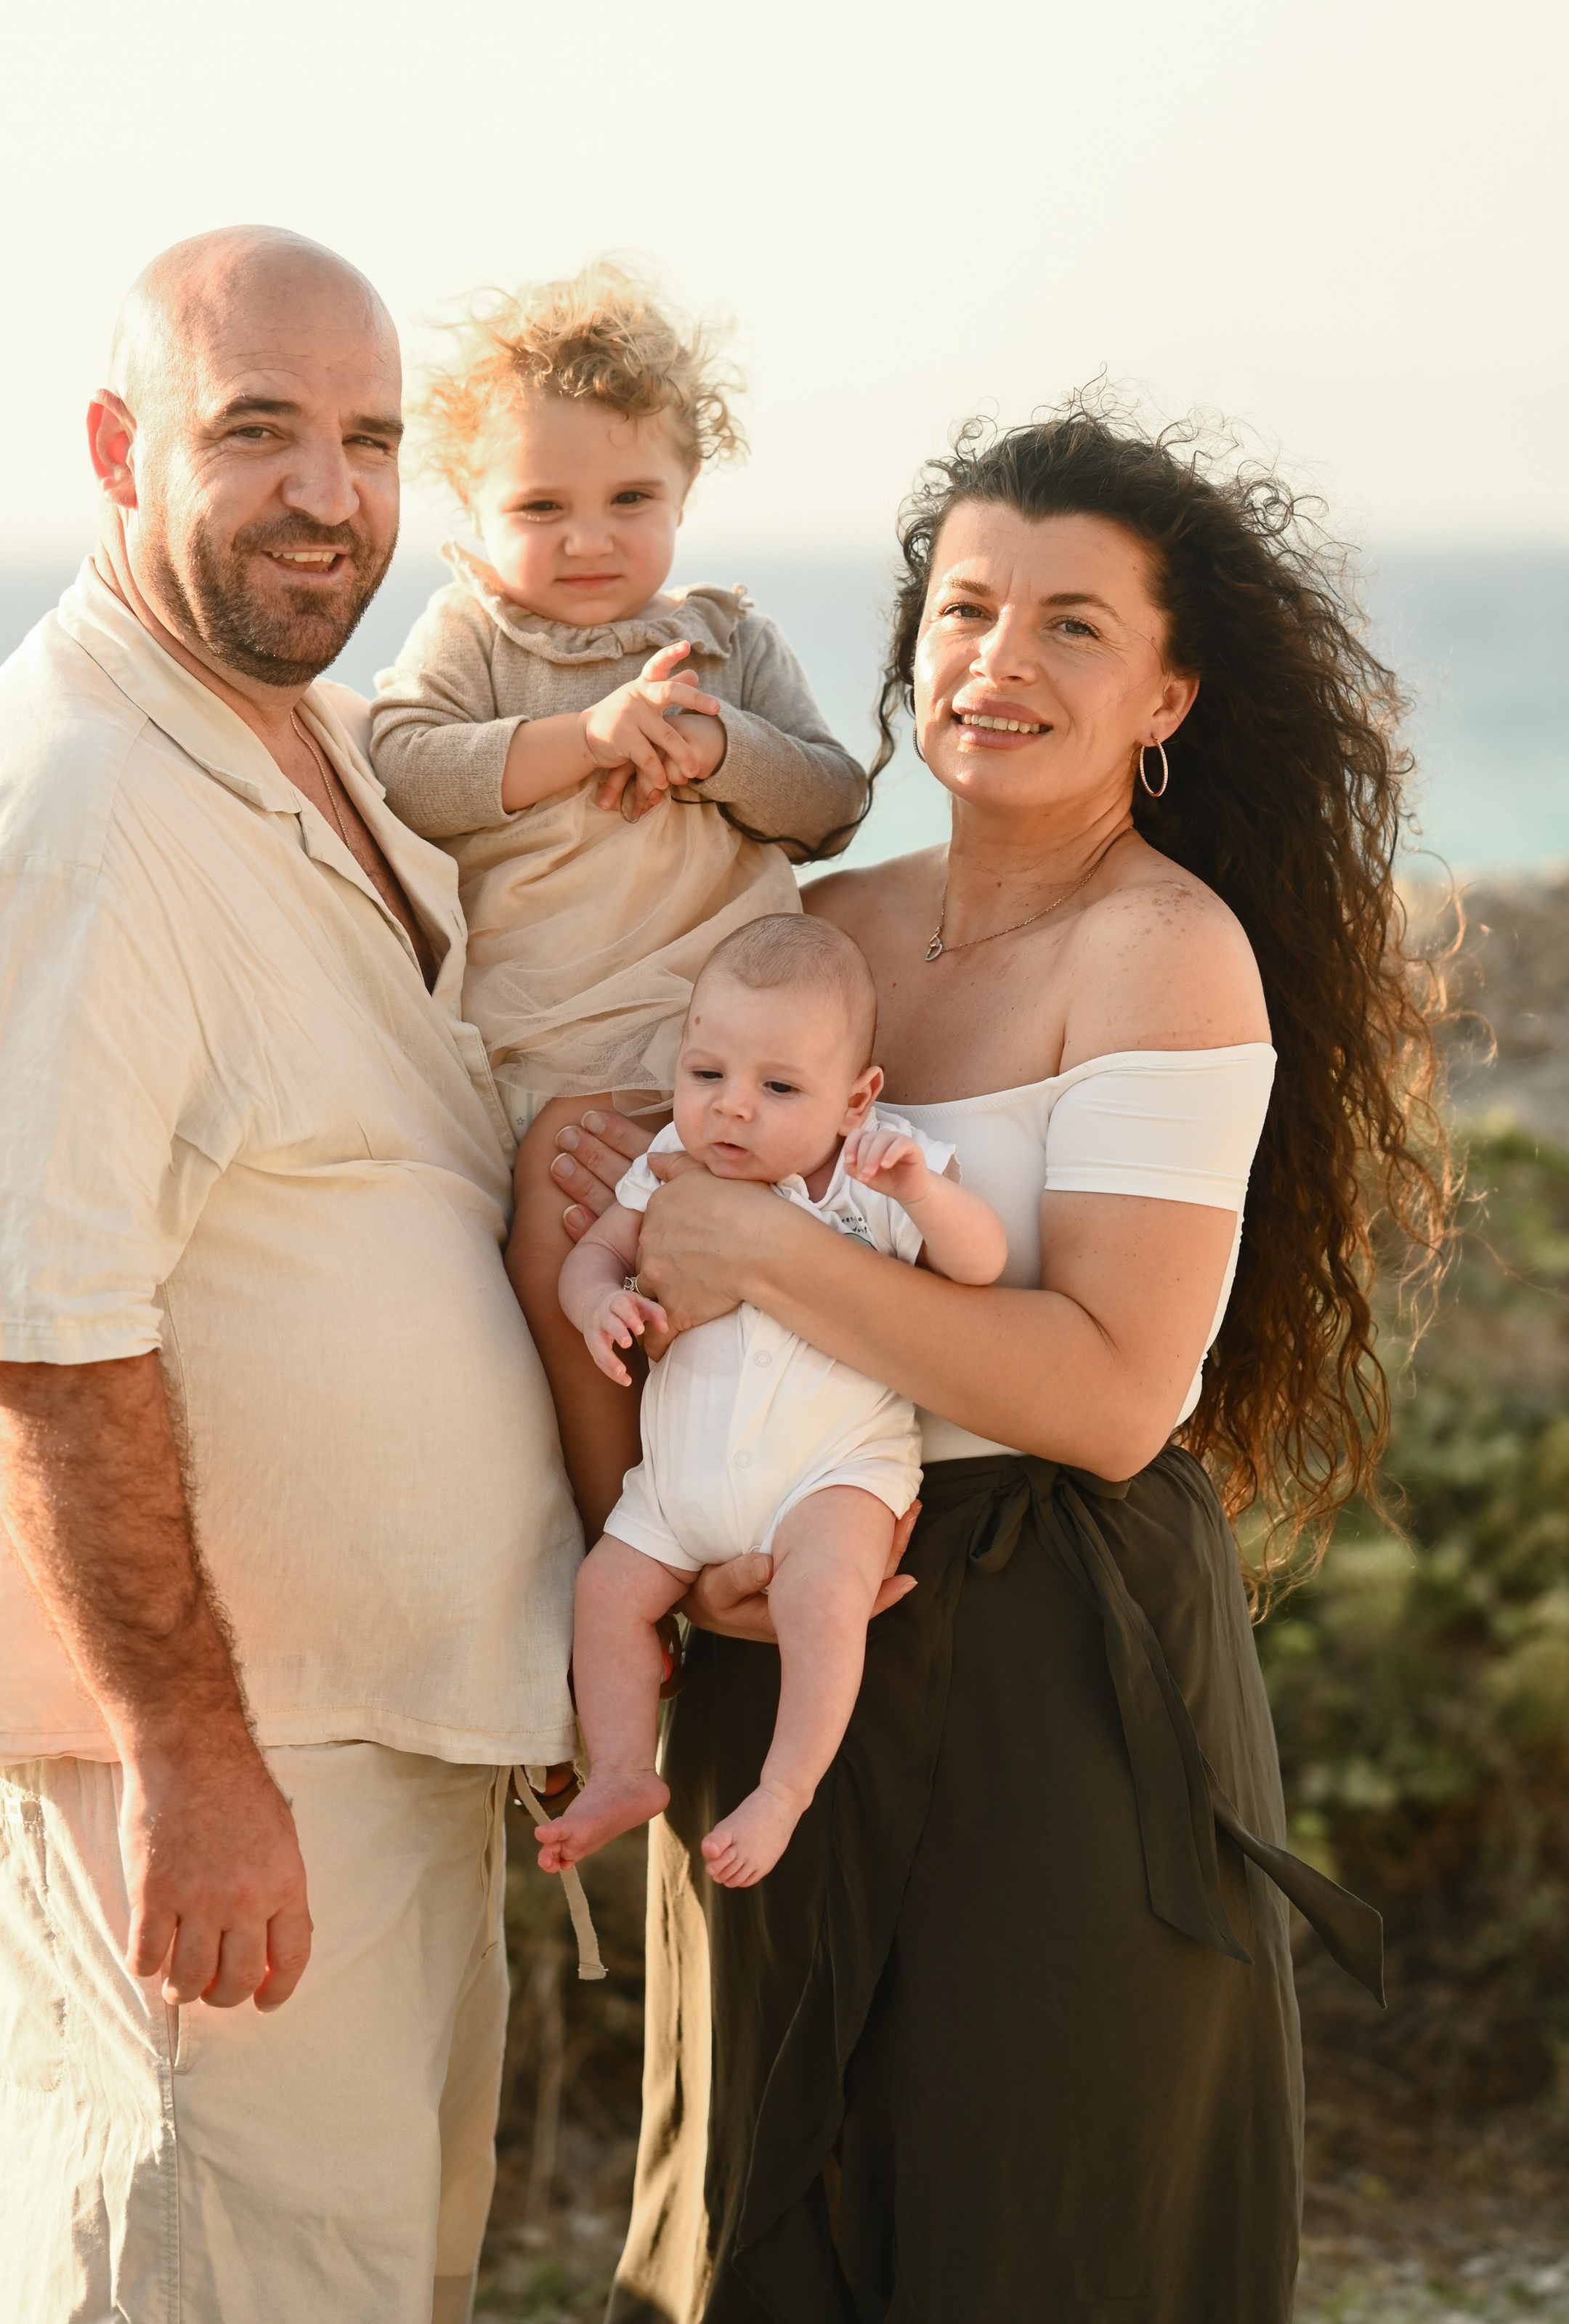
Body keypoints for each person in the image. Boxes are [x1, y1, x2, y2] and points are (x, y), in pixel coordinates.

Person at [536, 404, 1449, 2323]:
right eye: (965, 610)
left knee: (1037, 2225)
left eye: (1071, 629)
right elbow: (659, 1259)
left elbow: (1114, 1392)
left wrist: (767, 1247)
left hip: (1056, 1666)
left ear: (1169, 697)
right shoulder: (816, 934)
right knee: (758, 2230)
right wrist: (683, 1528)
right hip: (775, 1653)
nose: (998, 662)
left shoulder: (1165, 952)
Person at [0, 227, 583, 2324]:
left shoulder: (302, 741)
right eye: (254, 432)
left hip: (367, 1744)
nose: (327, 494)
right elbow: (29, 1323)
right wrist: (190, 1757)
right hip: (225, 1777)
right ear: (114, 450)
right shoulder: (70, 803)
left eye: (364, 439)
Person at [368, 263, 867, 1534]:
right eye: (543, 505)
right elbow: (405, 768)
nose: (589, 539)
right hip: (568, 1060)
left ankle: (781, 1515)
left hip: (733, 1056)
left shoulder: (726, 646)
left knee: (767, 1299)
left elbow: (832, 801)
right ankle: (620, 1534)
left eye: (631, 498)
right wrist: (585, 738)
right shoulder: (476, 639)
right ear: (474, 515)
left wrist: (720, 751)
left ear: (686, 492)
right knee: (570, 1253)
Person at [538, 914, 1005, 1890]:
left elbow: (981, 1264)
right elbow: (593, 1255)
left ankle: (786, 1790)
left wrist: (923, 1193)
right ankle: (624, 1768)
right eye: (707, 1074)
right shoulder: (670, 1155)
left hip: (827, 1474)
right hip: (678, 1491)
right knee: (608, 1594)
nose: (731, 1111)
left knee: (827, 1592)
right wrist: (601, 1306)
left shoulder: (874, 1169)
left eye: (779, 1087)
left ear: (856, 1099)